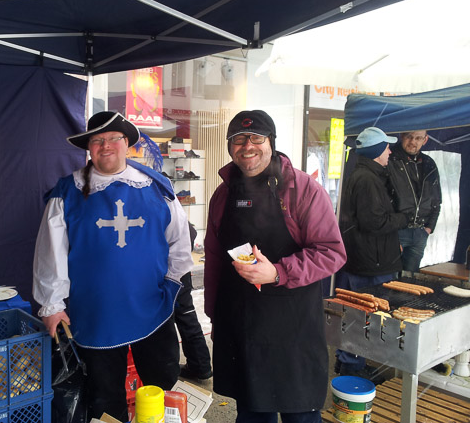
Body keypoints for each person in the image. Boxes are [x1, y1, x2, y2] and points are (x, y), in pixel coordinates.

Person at [33, 111, 194, 422]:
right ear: (89, 148)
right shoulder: (68, 191)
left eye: (113, 139)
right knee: (105, 399)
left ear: (127, 144)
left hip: (151, 306)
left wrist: (170, 284)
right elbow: (50, 253)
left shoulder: (156, 187)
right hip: (96, 312)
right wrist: (52, 304)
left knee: (161, 387)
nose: (105, 146)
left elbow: (179, 241)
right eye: (97, 140)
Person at [204, 110, 346, 423]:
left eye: (256, 137)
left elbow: (332, 252)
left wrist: (279, 272)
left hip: (292, 327)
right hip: (241, 323)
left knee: (300, 414)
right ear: (229, 146)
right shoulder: (223, 194)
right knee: (252, 410)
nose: (247, 146)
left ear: (271, 142)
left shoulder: (304, 190)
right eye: (238, 139)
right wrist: (215, 315)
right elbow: (214, 258)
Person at [336, 126, 410, 378]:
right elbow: (373, 222)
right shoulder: (367, 180)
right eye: (387, 147)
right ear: (377, 151)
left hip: (368, 258)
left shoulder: (365, 175)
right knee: (361, 315)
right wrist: (404, 219)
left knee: (356, 313)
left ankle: (348, 361)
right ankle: (351, 366)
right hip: (371, 262)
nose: (390, 151)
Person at [387, 130, 441, 274]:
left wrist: (429, 228)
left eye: (418, 138)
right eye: (409, 137)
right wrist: (390, 231)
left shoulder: (429, 163)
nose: (413, 142)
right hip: (396, 231)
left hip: (420, 232)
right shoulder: (389, 158)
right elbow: (381, 199)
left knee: (410, 279)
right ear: (401, 136)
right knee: (389, 278)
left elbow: (436, 200)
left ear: (425, 140)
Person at [176, 223, 212, 382]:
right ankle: (200, 366)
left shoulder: (163, 209)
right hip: (180, 270)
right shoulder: (173, 212)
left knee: (165, 323)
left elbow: (190, 231)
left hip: (170, 272)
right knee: (186, 316)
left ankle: (170, 369)